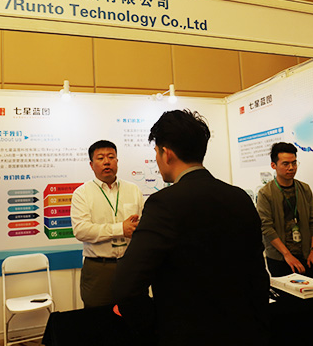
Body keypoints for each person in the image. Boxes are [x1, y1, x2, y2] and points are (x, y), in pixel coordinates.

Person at [113, 110, 269, 346]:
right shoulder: (240, 198)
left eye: (156, 152)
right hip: (244, 331)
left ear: (167, 154)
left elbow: (126, 287)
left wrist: (153, 329)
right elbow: (258, 275)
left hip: (187, 334)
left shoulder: (163, 204)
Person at [71, 140, 143, 308]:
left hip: (130, 265)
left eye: (111, 157)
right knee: (98, 317)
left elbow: (143, 223)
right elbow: (81, 230)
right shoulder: (82, 193)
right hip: (98, 268)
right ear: (91, 165)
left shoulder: (133, 190)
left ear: (117, 161)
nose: (106, 162)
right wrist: (120, 229)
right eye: (100, 158)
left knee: (135, 312)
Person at [256, 142, 313, 277]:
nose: (291, 168)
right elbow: (266, 227)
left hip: (306, 256)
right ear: (273, 165)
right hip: (279, 258)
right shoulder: (266, 193)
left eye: (294, 163)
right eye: (285, 164)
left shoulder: (304, 189)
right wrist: (287, 254)